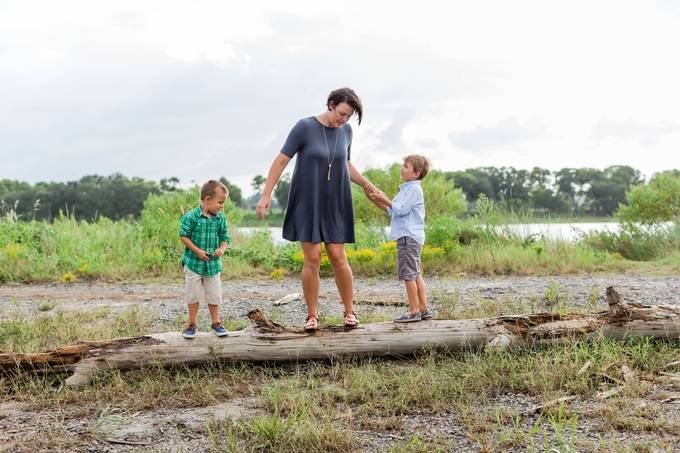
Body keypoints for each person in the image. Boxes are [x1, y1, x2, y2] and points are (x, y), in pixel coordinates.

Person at [255, 87, 380, 330]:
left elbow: (346, 164)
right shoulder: (304, 127)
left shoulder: (346, 131)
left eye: (348, 116)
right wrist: (266, 194)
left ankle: (349, 311)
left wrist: (368, 185)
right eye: (341, 113)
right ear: (331, 104)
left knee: (337, 256)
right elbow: (281, 160)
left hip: (336, 202)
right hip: (308, 201)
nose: (343, 119)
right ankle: (312, 316)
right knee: (312, 259)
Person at [365, 155, 433, 323]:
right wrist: (374, 198)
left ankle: (413, 310)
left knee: (409, 275)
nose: (402, 168)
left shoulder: (414, 190)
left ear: (416, 173)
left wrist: (385, 199)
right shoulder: (406, 189)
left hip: (408, 237)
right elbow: (390, 209)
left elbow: (401, 210)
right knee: (415, 273)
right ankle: (423, 308)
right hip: (408, 237)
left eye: (406, 166)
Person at [179, 180, 231, 338]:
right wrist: (197, 251)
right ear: (208, 200)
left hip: (213, 266)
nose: (221, 206)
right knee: (193, 294)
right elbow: (183, 236)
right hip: (194, 264)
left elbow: (224, 237)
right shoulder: (192, 216)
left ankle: (216, 323)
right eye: (220, 202)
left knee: (214, 294)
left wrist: (221, 249)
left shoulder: (220, 219)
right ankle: (192, 324)